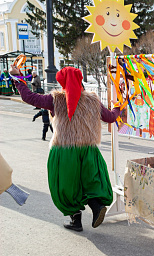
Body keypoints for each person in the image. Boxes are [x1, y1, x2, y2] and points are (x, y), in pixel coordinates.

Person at [9, 65, 121, 232]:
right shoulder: (93, 100)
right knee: (91, 180)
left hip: (64, 150)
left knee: (66, 185)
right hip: (88, 149)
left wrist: (17, 77)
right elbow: (110, 117)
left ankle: (76, 220)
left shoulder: (55, 99)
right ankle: (96, 206)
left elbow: (29, 97)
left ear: (61, 81)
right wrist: (118, 107)